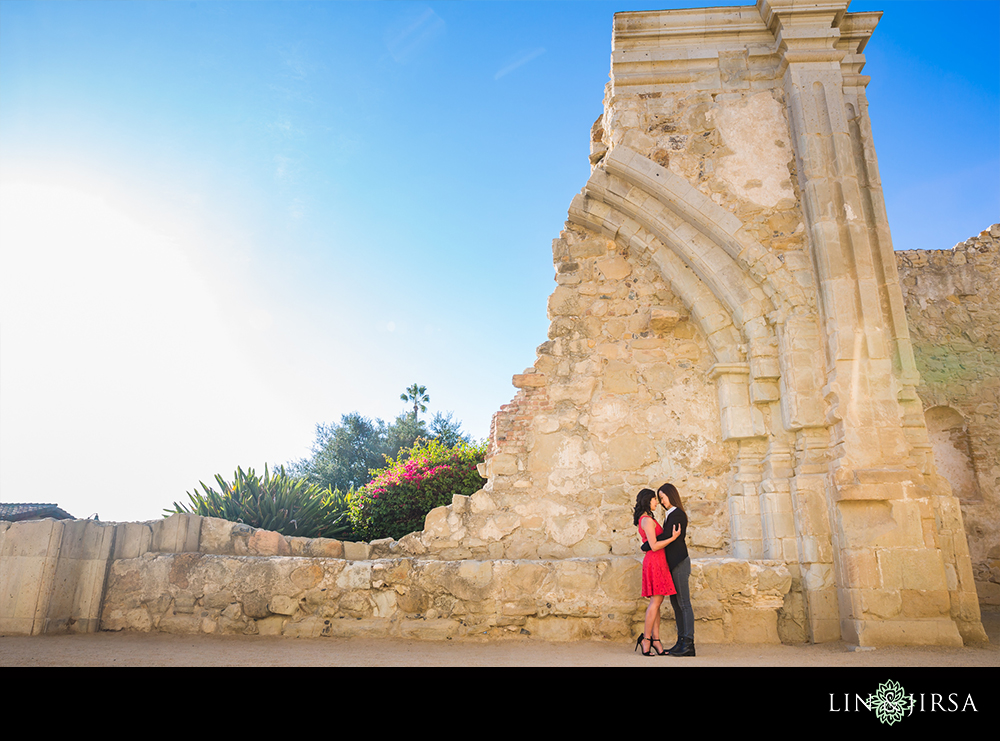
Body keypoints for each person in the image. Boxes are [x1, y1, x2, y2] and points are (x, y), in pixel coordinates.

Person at [641, 482, 695, 656]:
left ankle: (688, 643)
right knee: (676, 604)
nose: (662, 502)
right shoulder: (670, 514)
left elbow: (666, 536)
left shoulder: (677, 514)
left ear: (671, 495)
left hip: (679, 563)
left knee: (684, 603)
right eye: (660, 499)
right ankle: (681, 641)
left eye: (663, 498)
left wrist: (646, 546)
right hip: (671, 566)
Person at [633, 488, 681, 656]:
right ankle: (647, 639)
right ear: (647, 501)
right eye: (654, 499)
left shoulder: (647, 519)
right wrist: (673, 538)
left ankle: (656, 640)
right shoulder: (646, 520)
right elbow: (654, 546)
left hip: (657, 561)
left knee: (657, 602)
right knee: (655, 602)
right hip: (655, 561)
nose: (657, 502)